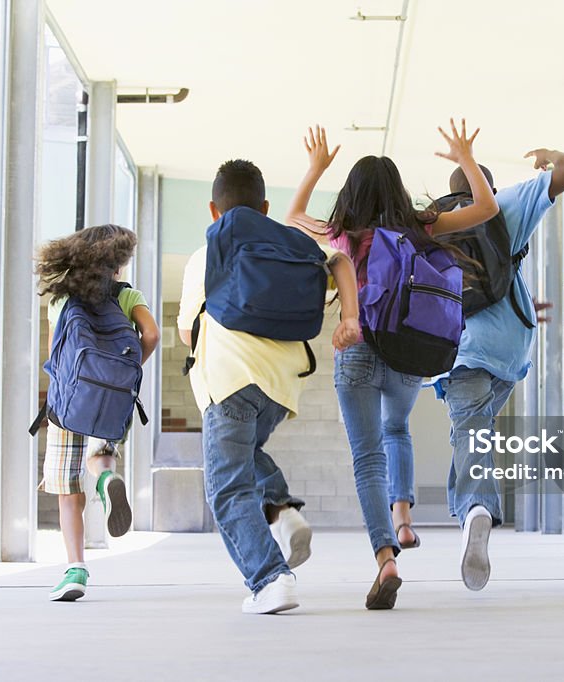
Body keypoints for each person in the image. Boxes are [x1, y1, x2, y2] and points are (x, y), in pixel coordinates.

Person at [286, 120, 499, 609]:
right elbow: (485, 208)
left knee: (367, 460)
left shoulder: (343, 233)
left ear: (352, 194)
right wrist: (466, 157)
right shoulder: (420, 225)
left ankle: (385, 557)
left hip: (357, 348)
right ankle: (405, 517)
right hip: (409, 352)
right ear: (398, 190)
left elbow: (295, 213)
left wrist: (316, 167)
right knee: (396, 428)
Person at [179, 159, 360, 614]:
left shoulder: (207, 254)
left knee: (227, 486)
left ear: (213, 211)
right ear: (264, 206)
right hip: (279, 389)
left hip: (229, 381)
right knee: (245, 456)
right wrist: (352, 317)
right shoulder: (291, 247)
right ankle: (282, 509)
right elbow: (338, 260)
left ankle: (270, 579)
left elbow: (187, 333)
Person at [435, 149, 564, 591]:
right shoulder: (505, 205)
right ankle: (469, 511)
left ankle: (476, 507)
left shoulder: (432, 222)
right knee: (471, 431)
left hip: (459, 344)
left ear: (449, 193)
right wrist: (548, 156)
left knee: (468, 429)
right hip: (509, 346)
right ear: (488, 188)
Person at [36, 224, 161, 602]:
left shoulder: (61, 299)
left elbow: (57, 355)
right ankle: (106, 480)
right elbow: (152, 334)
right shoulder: (127, 295)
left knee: (67, 488)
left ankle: (76, 569)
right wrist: (128, 372)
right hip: (111, 397)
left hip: (67, 402)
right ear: (117, 264)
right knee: (100, 455)